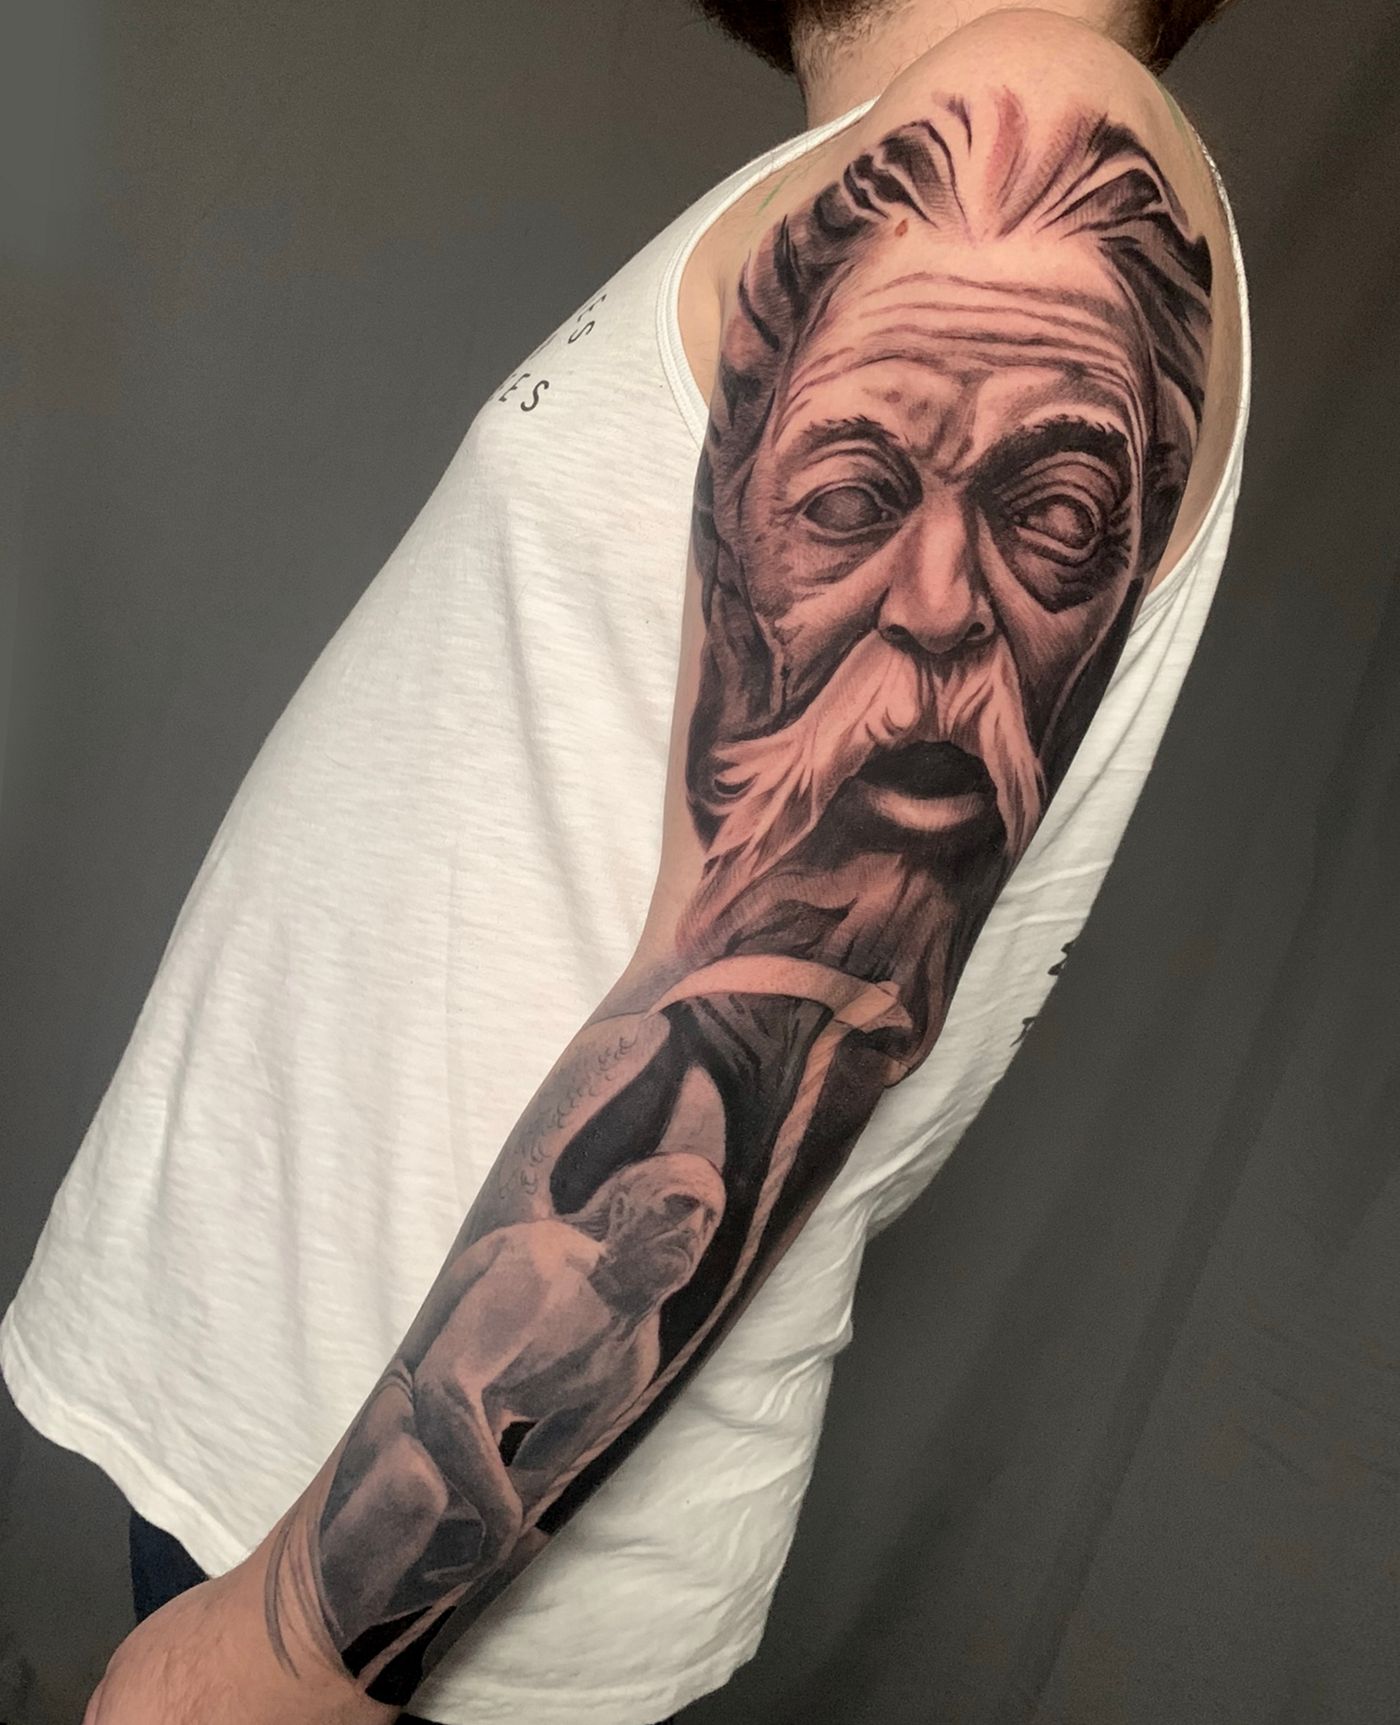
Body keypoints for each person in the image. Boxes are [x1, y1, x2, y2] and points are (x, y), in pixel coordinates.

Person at [1, 1, 1249, 1720]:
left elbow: (777, 997)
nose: (938, 604)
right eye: (849, 498)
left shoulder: (1016, 138)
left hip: (386, 1574)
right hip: (315, 1454)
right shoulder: (883, 171)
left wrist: (285, 1650)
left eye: (1041, 510)